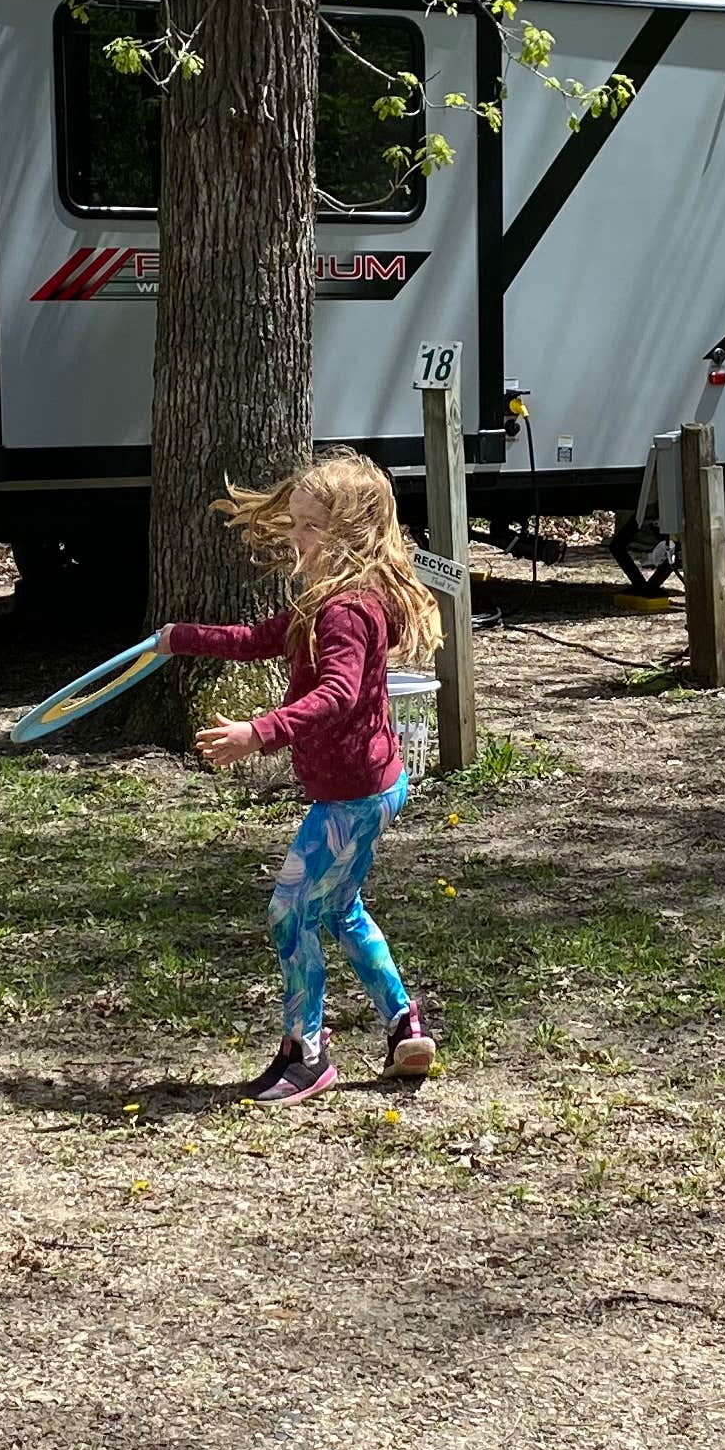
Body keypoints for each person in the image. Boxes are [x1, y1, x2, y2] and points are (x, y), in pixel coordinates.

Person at [167, 450, 445, 1101]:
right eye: (294, 523)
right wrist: (179, 638)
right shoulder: (328, 602)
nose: (296, 538)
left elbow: (339, 695)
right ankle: (405, 1024)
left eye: (309, 526)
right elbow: (255, 639)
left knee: (290, 915)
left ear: (349, 531)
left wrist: (257, 733)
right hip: (372, 786)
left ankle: (307, 1052)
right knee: (340, 910)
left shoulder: (345, 612)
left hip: (351, 798)